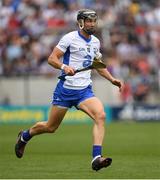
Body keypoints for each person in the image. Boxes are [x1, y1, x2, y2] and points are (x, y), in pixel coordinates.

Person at [15, 9, 123, 171]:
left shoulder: (95, 42)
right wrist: (64, 67)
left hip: (84, 91)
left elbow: (98, 66)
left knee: (100, 115)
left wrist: (112, 79)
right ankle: (24, 136)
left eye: (93, 21)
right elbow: (52, 58)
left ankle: (96, 158)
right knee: (50, 127)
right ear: (80, 22)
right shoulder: (69, 38)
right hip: (65, 90)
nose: (92, 24)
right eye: (88, 21)